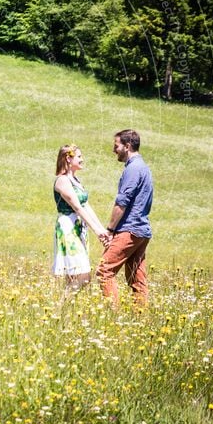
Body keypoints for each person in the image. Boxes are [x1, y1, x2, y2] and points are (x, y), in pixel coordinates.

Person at [96, 129, 154, 309]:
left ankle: (113, 314)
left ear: (127, 146)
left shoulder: (134, 169)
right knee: (136, 277)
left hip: (129, 229)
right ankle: (140, 316)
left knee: (104, 271)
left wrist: (110, 229)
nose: (114, 150)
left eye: (117, 146)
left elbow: (122, 201)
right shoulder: (143, 167)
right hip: (141, 231)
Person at [52, 145, 110, 294]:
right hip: (68, 227)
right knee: (83, 275)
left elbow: (86, 206)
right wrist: (97, 232)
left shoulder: (76, 180)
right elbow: (77, 207)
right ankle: (61, 306)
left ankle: (65, 312)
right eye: (79, 156)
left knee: (74, 275)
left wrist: (102, 229)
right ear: (68, 158)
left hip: (79, 227)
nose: (82, 159)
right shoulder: (62, 180)